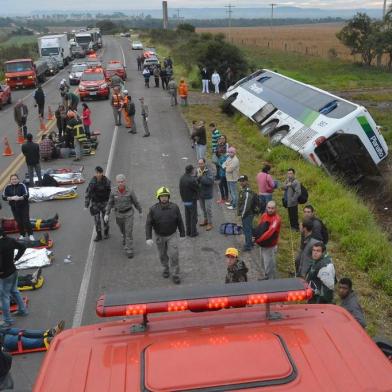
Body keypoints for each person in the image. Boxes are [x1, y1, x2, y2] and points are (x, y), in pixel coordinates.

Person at [145, 187, 185, 284]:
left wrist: (182, 233)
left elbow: (179, 220)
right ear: (158, 197)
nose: (164, 198)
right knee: (162, 255)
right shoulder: (153, 209)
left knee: (174, 255)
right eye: (162, 196)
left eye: (165, 196)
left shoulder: (175, 207)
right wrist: (148, 237)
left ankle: (175, 274)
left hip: (172, 235)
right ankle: (166, 268)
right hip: (159, 236)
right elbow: (148, 224)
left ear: (168, 197)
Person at [105, 174, 142, 259]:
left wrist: (140, 211)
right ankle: (124, 238)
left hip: (128, 213)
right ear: (116, 182)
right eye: (119, 182)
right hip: (118, 214)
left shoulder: (130, 191)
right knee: (123, 230)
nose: (120, 183)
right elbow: (110, 203)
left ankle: (129, 249)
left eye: (122, 182)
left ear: (125, 181)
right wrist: (107, 213)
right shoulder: (113, 191)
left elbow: (136, 202)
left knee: (128, 231)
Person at [0, 228, 28, 327]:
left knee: (4, 297)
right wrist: (16, 259)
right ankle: (22, 310)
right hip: (13, 270)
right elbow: (23, 247)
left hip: (5, 275)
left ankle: (7, 320)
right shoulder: (10, 240)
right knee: (14, 291)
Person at [254, 201, 282, 279]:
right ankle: (265, 277)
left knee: (269, 266)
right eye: (269, 208)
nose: (270, 210)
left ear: (275, 209)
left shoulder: (276, 219)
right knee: (263, 263)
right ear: (266, 207)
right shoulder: (264, 215)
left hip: (270, 246)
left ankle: (271, 282)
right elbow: (259, 227)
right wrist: (255, 236)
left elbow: (269, 233)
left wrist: (258, 240)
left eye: (272, 208)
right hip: (263, 245)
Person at [0, 320, 65, 352]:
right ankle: (45, 341)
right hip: (2, 343)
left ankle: (49, 333)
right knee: (18, 338)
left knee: (20, 331)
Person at [2, 175, 34, 241]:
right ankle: (22, 235)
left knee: (26, 221)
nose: (14, 180)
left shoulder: (22, 185)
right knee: (19, 221)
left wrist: (19, 198)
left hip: (23, 206)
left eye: (15, 179)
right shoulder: (7, 187)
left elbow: (27, 194)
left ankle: (30, 235)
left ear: (18, 180)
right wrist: (11, 198)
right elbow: (3, 196)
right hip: (14, 207)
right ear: (10, 180)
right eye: (12, 179)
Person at [85, 166, 111, 242]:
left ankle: (106, 232)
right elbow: (88, 193)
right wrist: (86, 205)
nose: (98, 174)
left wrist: (111, 204)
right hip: (95, 203)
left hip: (104, 203)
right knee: (97, 220)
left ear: (102, 173)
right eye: (97, 173)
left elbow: (110, 193)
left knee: (105, 218)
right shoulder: (92, 182)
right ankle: (99, 235)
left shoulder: (107, 181)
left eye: (99, 173)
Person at [238, 175, 257, 252]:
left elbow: (246, 205)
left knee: (247, 230)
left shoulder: (247, 192)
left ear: (247, 181)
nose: (241, 182)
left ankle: (248, 245)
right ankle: (250, 242)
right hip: (247, 213)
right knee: (248, 228)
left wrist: (242, 215)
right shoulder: (244, 190)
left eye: (243, 181)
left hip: (247, 214)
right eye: (240, 181)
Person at [179, 165, 199, 237]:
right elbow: (197, 188)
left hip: (185, 200)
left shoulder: (182, 178)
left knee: (187, 216)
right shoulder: (191, 180)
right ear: (191, 170)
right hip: (191, 200)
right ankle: (193, 232)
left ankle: (188, 231)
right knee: (193, 217)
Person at [197, 158, 214, 231]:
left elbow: (210, 182)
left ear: (204, 163)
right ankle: (205, 220)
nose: (200, 165)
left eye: (201, 163)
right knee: (203, 209)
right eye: (199, 163)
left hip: (208, 194)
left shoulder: (209, 171)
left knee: (208, 209)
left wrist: (200, 178)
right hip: (200, 194)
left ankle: (210, 223)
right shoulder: (197, 171)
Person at [216, 135, 229, 203]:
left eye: (223, 138)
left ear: (225, 139)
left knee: (222, 184)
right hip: (220, 165)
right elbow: (216, 153)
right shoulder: (219, 144)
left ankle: (224, 198)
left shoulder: (226, 145)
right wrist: (218, 145)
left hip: (224, 166)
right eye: (221, 138)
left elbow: (225, 154)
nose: (221, 139)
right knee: (223, 184)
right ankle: (225, 198)